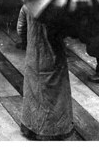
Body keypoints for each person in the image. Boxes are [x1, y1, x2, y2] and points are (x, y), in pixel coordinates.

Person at [19, 11, 75, 141]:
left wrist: (27, 41)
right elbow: (67, 31)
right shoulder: (57, 8)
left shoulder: (28, 5)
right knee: (57, 96)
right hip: (54, 57)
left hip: (33, 56)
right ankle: (56, 129)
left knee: (33, 93)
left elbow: (20, 28)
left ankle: (32, 126)